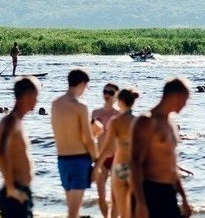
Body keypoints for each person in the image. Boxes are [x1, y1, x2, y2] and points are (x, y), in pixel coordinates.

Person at [131, 77, 192, 218]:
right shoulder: (146, 121)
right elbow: (135, 163)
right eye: (185, 99)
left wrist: (184, 198)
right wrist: (140, 202)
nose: (185, 104)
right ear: (176, 96)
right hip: (150, 191)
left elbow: (172, 164)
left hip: (169, 192)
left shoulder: (170, 123)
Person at [51, 69, 98, 218]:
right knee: (73, 211)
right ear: (83, 84)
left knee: (72, 208)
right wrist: (97, 161)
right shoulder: (80, 106)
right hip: (79, 160)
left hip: (62, 160)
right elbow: (88, 138)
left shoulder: (55, 104)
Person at [0, 77, 40, 218]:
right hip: (14, 192)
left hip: (20, 191)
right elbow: (1, 153)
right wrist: (10, 189)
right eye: (36, 96)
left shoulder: (16, 121)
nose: (37, 100)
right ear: (27, 96)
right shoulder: (10, 121)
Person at [94, 88, 139, 218]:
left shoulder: (116, 121)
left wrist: (97, 165)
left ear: (120, 101)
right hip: (135, 167)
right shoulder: (139, 121)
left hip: (120, 165)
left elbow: (107, 148)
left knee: (119, 203)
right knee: (133, 204)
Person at [91, 83, 120, 218]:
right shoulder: (95, 113)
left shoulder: (119, 115)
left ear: (116, 96)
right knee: (101, 197)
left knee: (115, 198)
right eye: (105, 92)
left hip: (116, 158)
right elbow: (91, 136)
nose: (107, 95)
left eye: (111, 92)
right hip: (100, 158)